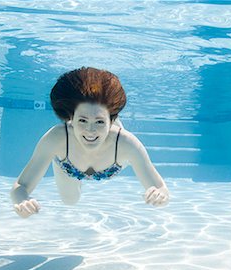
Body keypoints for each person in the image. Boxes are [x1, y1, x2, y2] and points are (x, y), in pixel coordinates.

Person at [11, 67, 169, 218]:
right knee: (70, 201)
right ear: (71, 118)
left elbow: (161, 188)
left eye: (99, 122)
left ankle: (100, 114)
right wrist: (21, 201)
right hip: (68, 164)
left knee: (106, 123)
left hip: (113, 141)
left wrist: (160, 196)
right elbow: (21, 185)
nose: (90, 130)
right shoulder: (57, 138)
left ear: (111, 120)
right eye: (82, 120)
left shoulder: (127, 143)